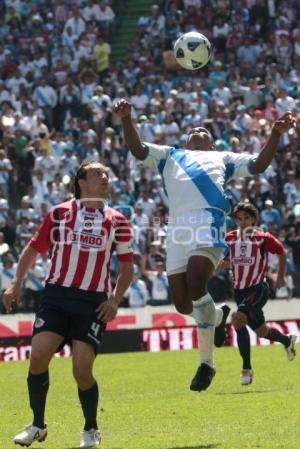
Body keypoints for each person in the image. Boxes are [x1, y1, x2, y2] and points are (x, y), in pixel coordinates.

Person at [114, 98, 295, 392]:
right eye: (193, 129)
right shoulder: (170, 154)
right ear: (186, 142)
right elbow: (137, 149)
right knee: (184, 304)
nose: (199, 128)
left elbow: (259, 165)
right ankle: (219, 315)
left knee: (198, 283)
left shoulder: (224, 158)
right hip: (177, 229)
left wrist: (275, 135)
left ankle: (206, 363)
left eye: (205, 129)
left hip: (208, 222)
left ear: (211, 144)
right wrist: (125, 119)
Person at [3, 160, 134, 448]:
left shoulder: (118, 220)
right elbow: (33, 248)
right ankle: (38, 425)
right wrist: (16, 282)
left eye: (106, 174)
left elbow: (127, 268)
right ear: (81, 182)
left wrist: (114, 300)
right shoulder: (60, 213)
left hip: (92, 303)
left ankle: (90, 429)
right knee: (38, 356)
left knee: (81, 369)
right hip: (57, 296)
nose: (105, 177)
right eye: (97, 174)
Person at [224, 202, 297, 385]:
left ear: (254, 219)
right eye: (239, 218)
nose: (243, 222)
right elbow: (224, 259)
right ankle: (287, 341)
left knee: (238, 320)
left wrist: (280, 277)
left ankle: (246, 369)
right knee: (261, 331)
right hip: (239, 292)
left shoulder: (263, 238)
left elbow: (281, 253)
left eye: (246, 218)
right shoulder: (230, 238)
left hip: (258, 289)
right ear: (235, 220)